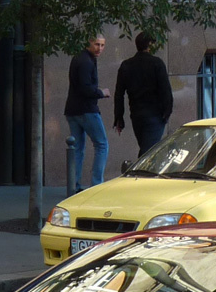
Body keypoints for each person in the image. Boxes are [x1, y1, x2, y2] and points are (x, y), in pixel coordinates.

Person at [113, 32, 174, 157]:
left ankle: (143, 174)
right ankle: (138, 174)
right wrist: (166, 113)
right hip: (155, 115)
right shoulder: (157, 63)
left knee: (147, 151)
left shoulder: (126, 65)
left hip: (136, 115)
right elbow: (166, 91)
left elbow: (119, 94)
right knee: (148, 154)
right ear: (149, 45)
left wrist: (119, 117)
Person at [64, 34, 111, 190]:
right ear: (89, 43)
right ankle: (97, 185)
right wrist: (101, 92)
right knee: (102, 145)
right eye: (97, 44)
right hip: (86, 109)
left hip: (72, 109)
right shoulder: (86, 61)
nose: (100, 48)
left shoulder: (80, 58)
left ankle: (74, 185)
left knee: (77, 148)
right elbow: (85, 88)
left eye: (102, 45)